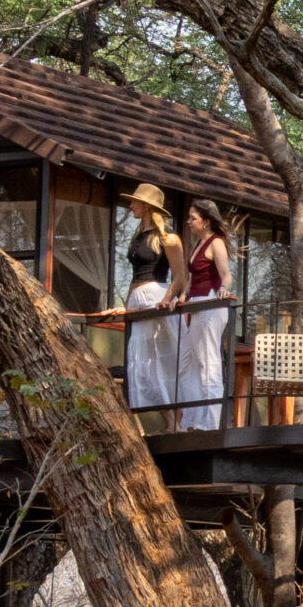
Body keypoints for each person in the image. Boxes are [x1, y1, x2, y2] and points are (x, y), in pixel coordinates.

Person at [118, 183, 186, 427]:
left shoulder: (168, 237)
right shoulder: (138, 237)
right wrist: (125, 306)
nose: (131, 205)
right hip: (137, 299)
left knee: (157, 360)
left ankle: (173, 422)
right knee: (139, 361)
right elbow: (133, 276)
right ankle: (165, 422)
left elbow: (180, 276)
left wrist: (167, 299)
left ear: (146, 206)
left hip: (155, 296)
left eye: (135, 202)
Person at [169, 197, 234, 432]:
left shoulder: (216, 243)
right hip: (194, 305)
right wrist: (183, 295)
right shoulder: (198, 244)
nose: (188, 222)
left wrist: (223, 290)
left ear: (206, 221)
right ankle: (191, 420)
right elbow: (190, 278)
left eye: (193, 218)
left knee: (209, 363)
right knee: (188, 363)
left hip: (209, 304)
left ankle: (209, 424)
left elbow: (225, 274)